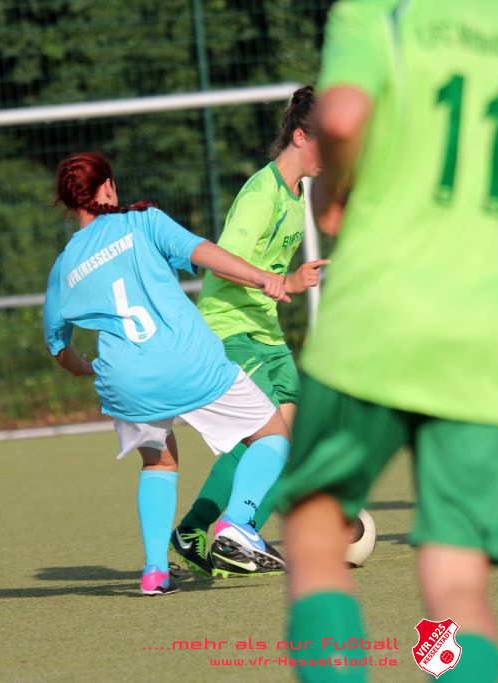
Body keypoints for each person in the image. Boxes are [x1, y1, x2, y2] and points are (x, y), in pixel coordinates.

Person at [268, 1, 498, 681]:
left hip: (381, 317)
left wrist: (336, 191)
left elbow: (340, 119)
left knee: (314, 533)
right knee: (456, 581)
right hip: (490, 338)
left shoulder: (377, 15)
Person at [42, 151, 294, 596]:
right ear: (107, 187)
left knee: (159, 461)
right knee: (274, 436)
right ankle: (238, 523)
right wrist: (261, 278)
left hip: (124, 379)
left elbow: (56, 344)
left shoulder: (64, 265)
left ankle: (155, 572)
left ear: (69, 203)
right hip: (186, 361)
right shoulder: (143, 221)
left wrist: (82, 368)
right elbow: (205, 252)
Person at [169, 86, 328, 579]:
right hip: (231, 328)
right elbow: (222, 261)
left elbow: (271, 271)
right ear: (299, 136)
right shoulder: (262, 192)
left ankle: (207, 532)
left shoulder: (297, 195)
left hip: (266, 331)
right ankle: (234, 528)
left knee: (282, 442)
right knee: (267, 437)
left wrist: (290, 283)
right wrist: (272, 281)